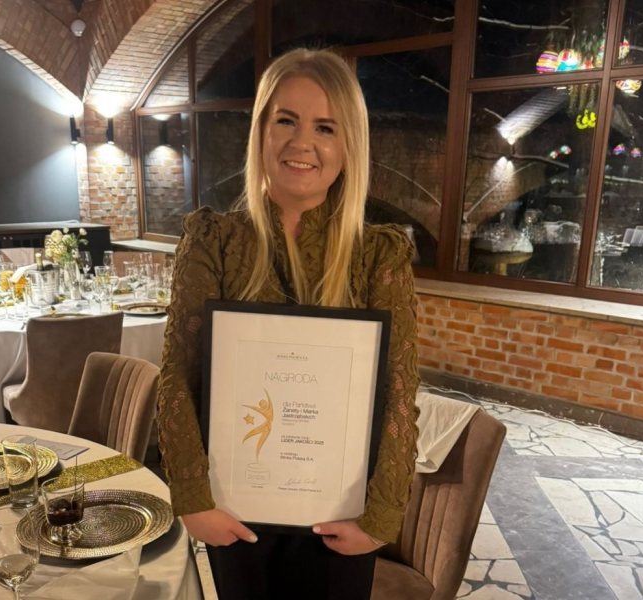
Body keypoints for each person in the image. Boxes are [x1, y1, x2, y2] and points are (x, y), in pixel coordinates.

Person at [156, 47, 420, 600]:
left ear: (349, 145)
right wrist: (193, 498)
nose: (302, 143)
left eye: (325, 127)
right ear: (260, 132)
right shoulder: (213, 240)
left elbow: (398, 393)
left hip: (340, 515)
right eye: (286, 121)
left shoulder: (379, 254)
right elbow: (178, 375)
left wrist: (381, 516)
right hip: (234, 508)